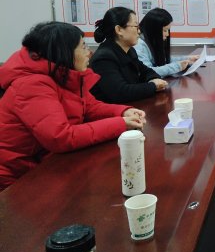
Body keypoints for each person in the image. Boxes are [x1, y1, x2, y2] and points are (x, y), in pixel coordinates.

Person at [0, 22, 146, 191]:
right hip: (15, 178)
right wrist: (120, 124)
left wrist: (123, 111)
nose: (89, 53)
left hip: (45, 164)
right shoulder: (31, 85)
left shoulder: (61, 74)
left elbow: (90, 107)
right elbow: (60, 136)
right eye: (83, 47)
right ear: (64, 52)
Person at [90, 7, 168, 103]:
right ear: (119, 30)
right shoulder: (103, 58)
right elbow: (121, 92)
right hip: (112, 110)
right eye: (136, 26)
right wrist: (153, 86)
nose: (139, 31)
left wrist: (154, 79)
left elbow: (147, 71)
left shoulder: (129, 50)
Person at [134, 8, 199, 77]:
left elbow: (163, 59)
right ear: (153, 29)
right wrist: (177, 66)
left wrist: (187, 59)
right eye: (165, 30)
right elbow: (148, 71)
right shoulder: (139, 45)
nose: (167, 34)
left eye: (168, 30)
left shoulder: (149, 40)